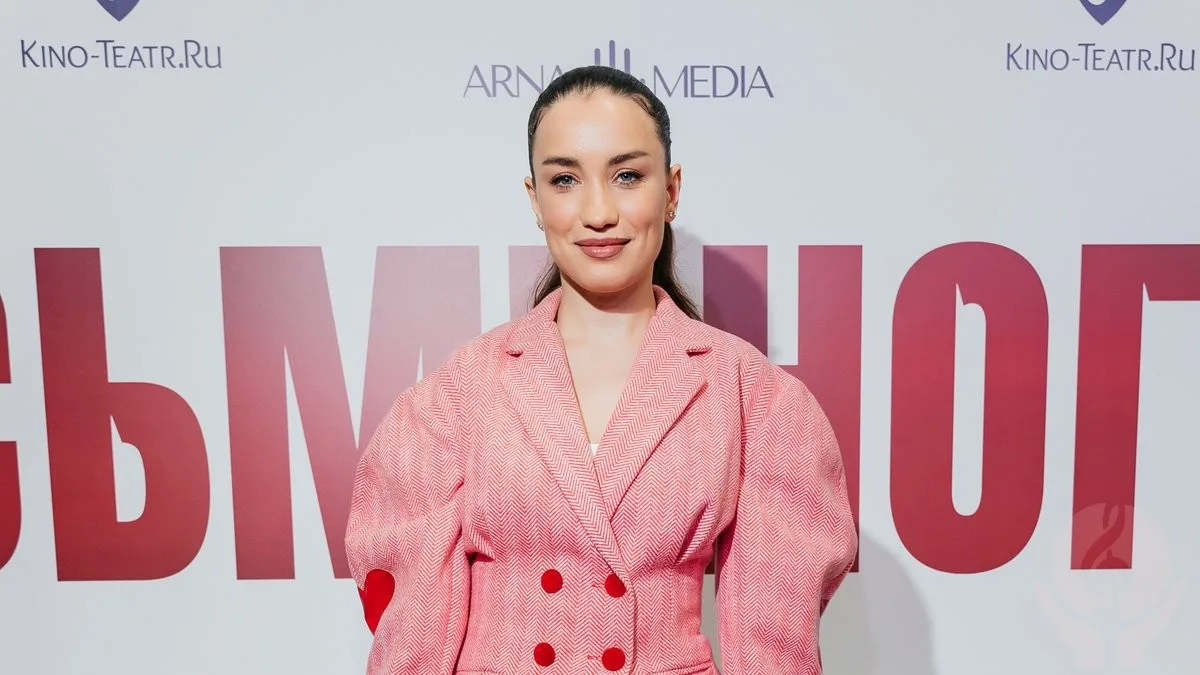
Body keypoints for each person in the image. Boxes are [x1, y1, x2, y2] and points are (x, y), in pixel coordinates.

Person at [344, 64, 858, 674]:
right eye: (565, 179)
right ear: (535, 200)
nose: (598, 212)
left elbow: (774, 645)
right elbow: (412, 638)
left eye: (627, 176)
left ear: (671, 191)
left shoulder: (754, 397)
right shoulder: (459, 394)